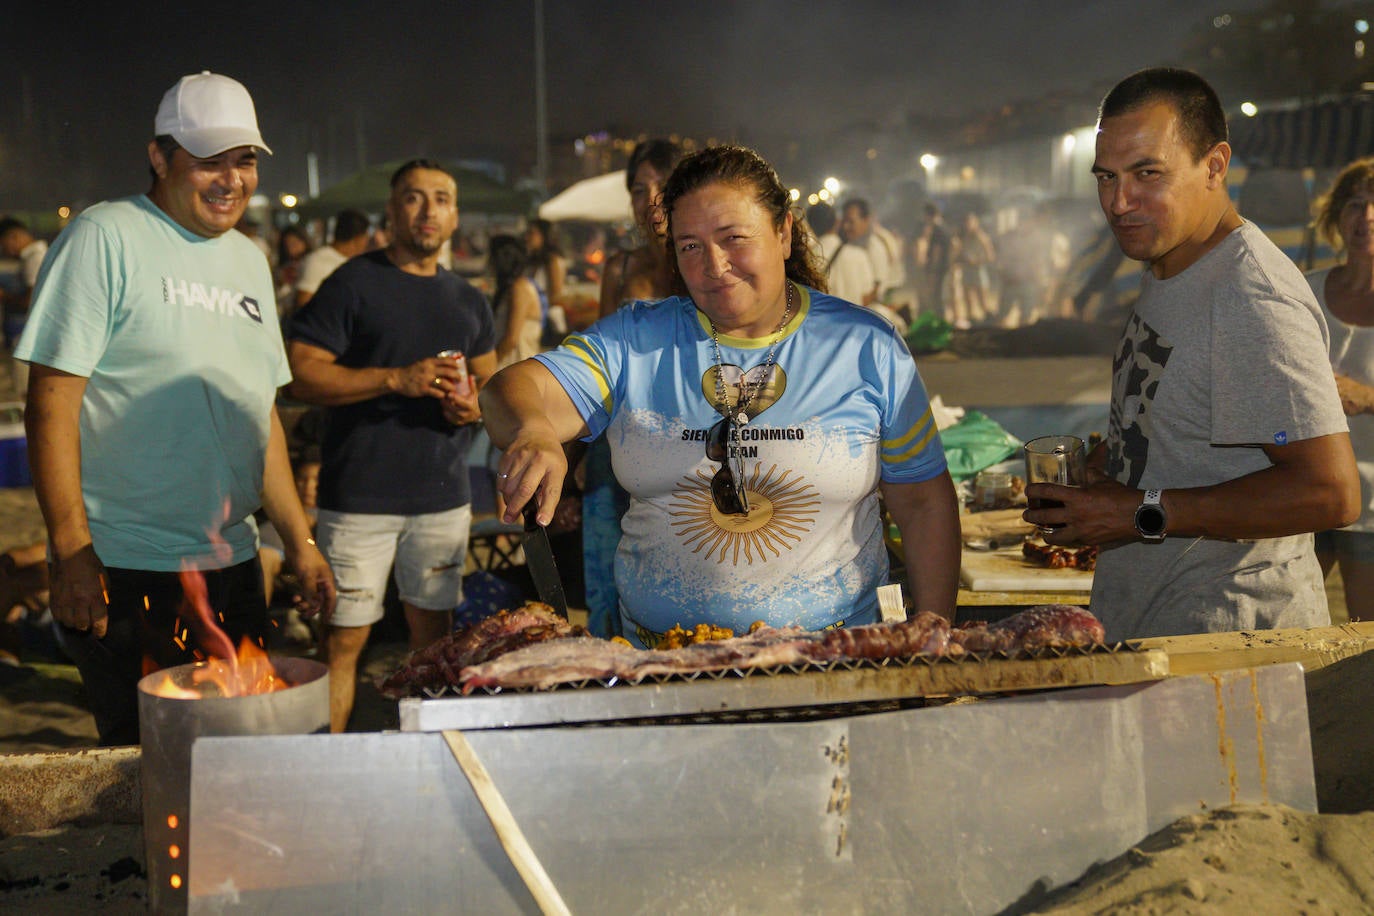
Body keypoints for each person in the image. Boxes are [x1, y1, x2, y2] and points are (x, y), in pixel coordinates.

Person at [482, 145, 960, 646]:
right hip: (662, 668)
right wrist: (534, 428)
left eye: (733, 238)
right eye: (689, 245)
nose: (713, 264)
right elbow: (507, 390)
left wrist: (936, 645)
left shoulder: (864, 345)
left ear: (784, 232)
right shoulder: (635, 341)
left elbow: (925, 504)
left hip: (833, 663)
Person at [14, 71, 335, 746]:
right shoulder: (106, 236)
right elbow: (50, 402)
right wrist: (71, 549)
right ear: (160, 159)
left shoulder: (250, 260)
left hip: (234, 564)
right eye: (207, 162)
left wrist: (300, 541)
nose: (231, 180)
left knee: (241, 759)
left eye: (243, 160)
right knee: (152, 764)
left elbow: (260, 417)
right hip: (129, 567)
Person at [1027, 67, 1359, 642]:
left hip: (1228, 643)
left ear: (1214, 165)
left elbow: (1329, 491)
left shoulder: (1252, 297)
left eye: (1147, 173)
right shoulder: (1173, 263)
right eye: (1106, 177)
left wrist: (1138, 509)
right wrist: (1107, 465)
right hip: (1161, 626)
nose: (1119, 202)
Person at [287, 158, 496, 733]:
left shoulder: (468, 299)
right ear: (391, 209)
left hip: (442, 498)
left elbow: (491, 388)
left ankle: (430, 762)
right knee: (343, 643)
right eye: (413, 197)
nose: (428, 210)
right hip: (358, 498)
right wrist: (391, 378)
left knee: (433, 642)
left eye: (441, 199)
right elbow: (299, 372)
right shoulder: (354, 282)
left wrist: (470, 406)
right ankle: (327, 762)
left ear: (455, 217)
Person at [586, 138, 682, 637]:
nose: (649, 199)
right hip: (620, 436)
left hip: (686, 439)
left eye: (661, 186)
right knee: (610, 569)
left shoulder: (700, 265)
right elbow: (597, 370)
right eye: (638, 188)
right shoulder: (619, 267)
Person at [1306, 158, 1374, 622]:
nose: (1366, 217)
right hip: (1305, 489)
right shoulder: (1303, 292)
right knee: (1286, 630)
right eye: (1355, 204)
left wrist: (1367, 397)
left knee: (1368, 642)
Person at [0, 217, 50, 396]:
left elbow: (31, 300)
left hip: (27, 340)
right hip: (26, 339)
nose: (5, 250)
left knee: (26, 393)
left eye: (4, 244)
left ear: (14, 236)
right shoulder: (36, 255)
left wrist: (4, 296)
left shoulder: (34, 258)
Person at [487, 234, 546, 369]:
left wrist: (488, 367)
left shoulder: (520, 288)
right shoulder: (510, 288)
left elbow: (511, 339)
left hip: (516, 367)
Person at [294, 208, 372, 311]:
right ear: (358, 238)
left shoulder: (359, 263)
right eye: (367, 235)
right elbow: (303, 302)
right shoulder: (317, 261)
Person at [807, 201, 878, 306]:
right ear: (837, 223)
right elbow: (865, 298)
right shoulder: (858, 256)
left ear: (810, 226)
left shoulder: (806, 258)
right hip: (852, 319)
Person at [951, 212, 995, 327]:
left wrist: (976, 261)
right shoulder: (964, 237)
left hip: (978, 270)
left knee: (982, 298)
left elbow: (990, 256)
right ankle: (972, 321)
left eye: (970, 223)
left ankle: (989, 320)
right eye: (966, 223)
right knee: (968, 297)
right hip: (967, 270)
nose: (968, 225)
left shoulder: (981, 237)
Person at [524, 217, 567, 311]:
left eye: (531, 233)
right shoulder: (532, 260)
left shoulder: (553, 260)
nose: (526, 237)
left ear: (544, 235)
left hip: (546, 314)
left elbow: (556, 294)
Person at [274, 224, 313, 317]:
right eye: (287, 244)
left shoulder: (311, 263)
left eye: (295, 243)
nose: (291, 248)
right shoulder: (283, 267)